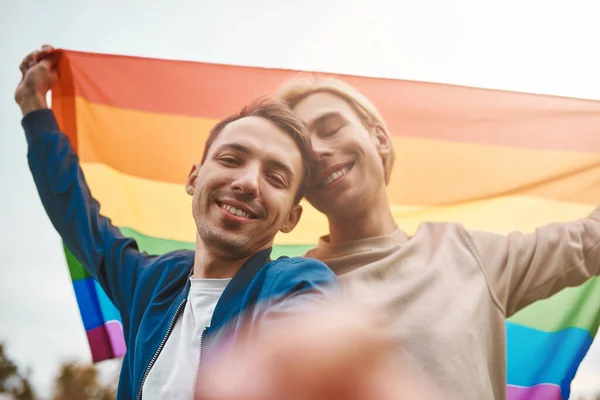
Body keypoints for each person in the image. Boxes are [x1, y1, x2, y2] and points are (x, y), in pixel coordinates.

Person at [14, 46, 340, 400]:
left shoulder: (300, 285)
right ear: (193, 179)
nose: (248, 182)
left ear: (291, 218)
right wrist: (34, 107)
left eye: (275, 178)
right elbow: (75, 214)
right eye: (231, 158)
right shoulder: (150, 283)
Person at [268, 76, 600, 399]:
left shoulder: (467, 254)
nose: (318, 151)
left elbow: (590, 242)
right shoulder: (287, 287)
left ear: (379, 138)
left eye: (331, 129)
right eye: (302, 150)